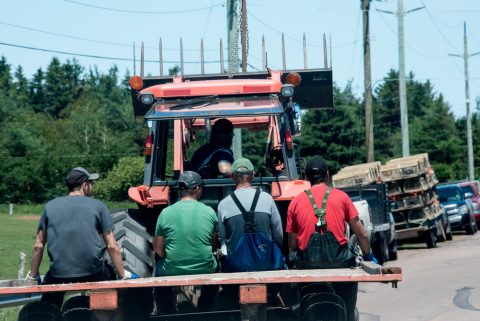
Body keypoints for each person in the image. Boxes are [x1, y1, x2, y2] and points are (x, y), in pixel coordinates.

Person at [286, 156, 377, 321]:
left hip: (308, 265)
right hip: (339, 263)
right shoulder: (342, 198)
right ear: (327, 175)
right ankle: (348, 314)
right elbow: (362, 234)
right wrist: (368, 255)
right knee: (348, 299)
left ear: (306, 178)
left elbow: (292, 244)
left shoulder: (295, 202)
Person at [28, 167, 131, 309]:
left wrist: (33, 276)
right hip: (93, 271)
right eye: (91, 182)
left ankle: (49, 312)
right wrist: (122, 275)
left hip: (59, 273)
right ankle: (104, 312)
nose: (92, 186)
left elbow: (38, 246)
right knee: (109, 277)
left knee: (49, 303)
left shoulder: (50, 207)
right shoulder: (98, 206)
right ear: (84, 185)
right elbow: (112, 246)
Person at [216, 158, 283, 306]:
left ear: (233, 176)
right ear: (252, 175)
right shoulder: (267, 199)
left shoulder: (223, 205)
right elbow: (278, 234)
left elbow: (223, 241)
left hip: (236, 265)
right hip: (265, 263)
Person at [153, 171, 218, 314]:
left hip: (172, 269)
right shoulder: (209, 212)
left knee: (158, 270)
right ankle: (205, 310)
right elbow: (214, 246)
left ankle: (167, 312)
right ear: (197, 189)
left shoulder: (165, 212)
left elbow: (158, 249)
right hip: (205, 267)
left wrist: (171, 256)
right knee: (217, 267)